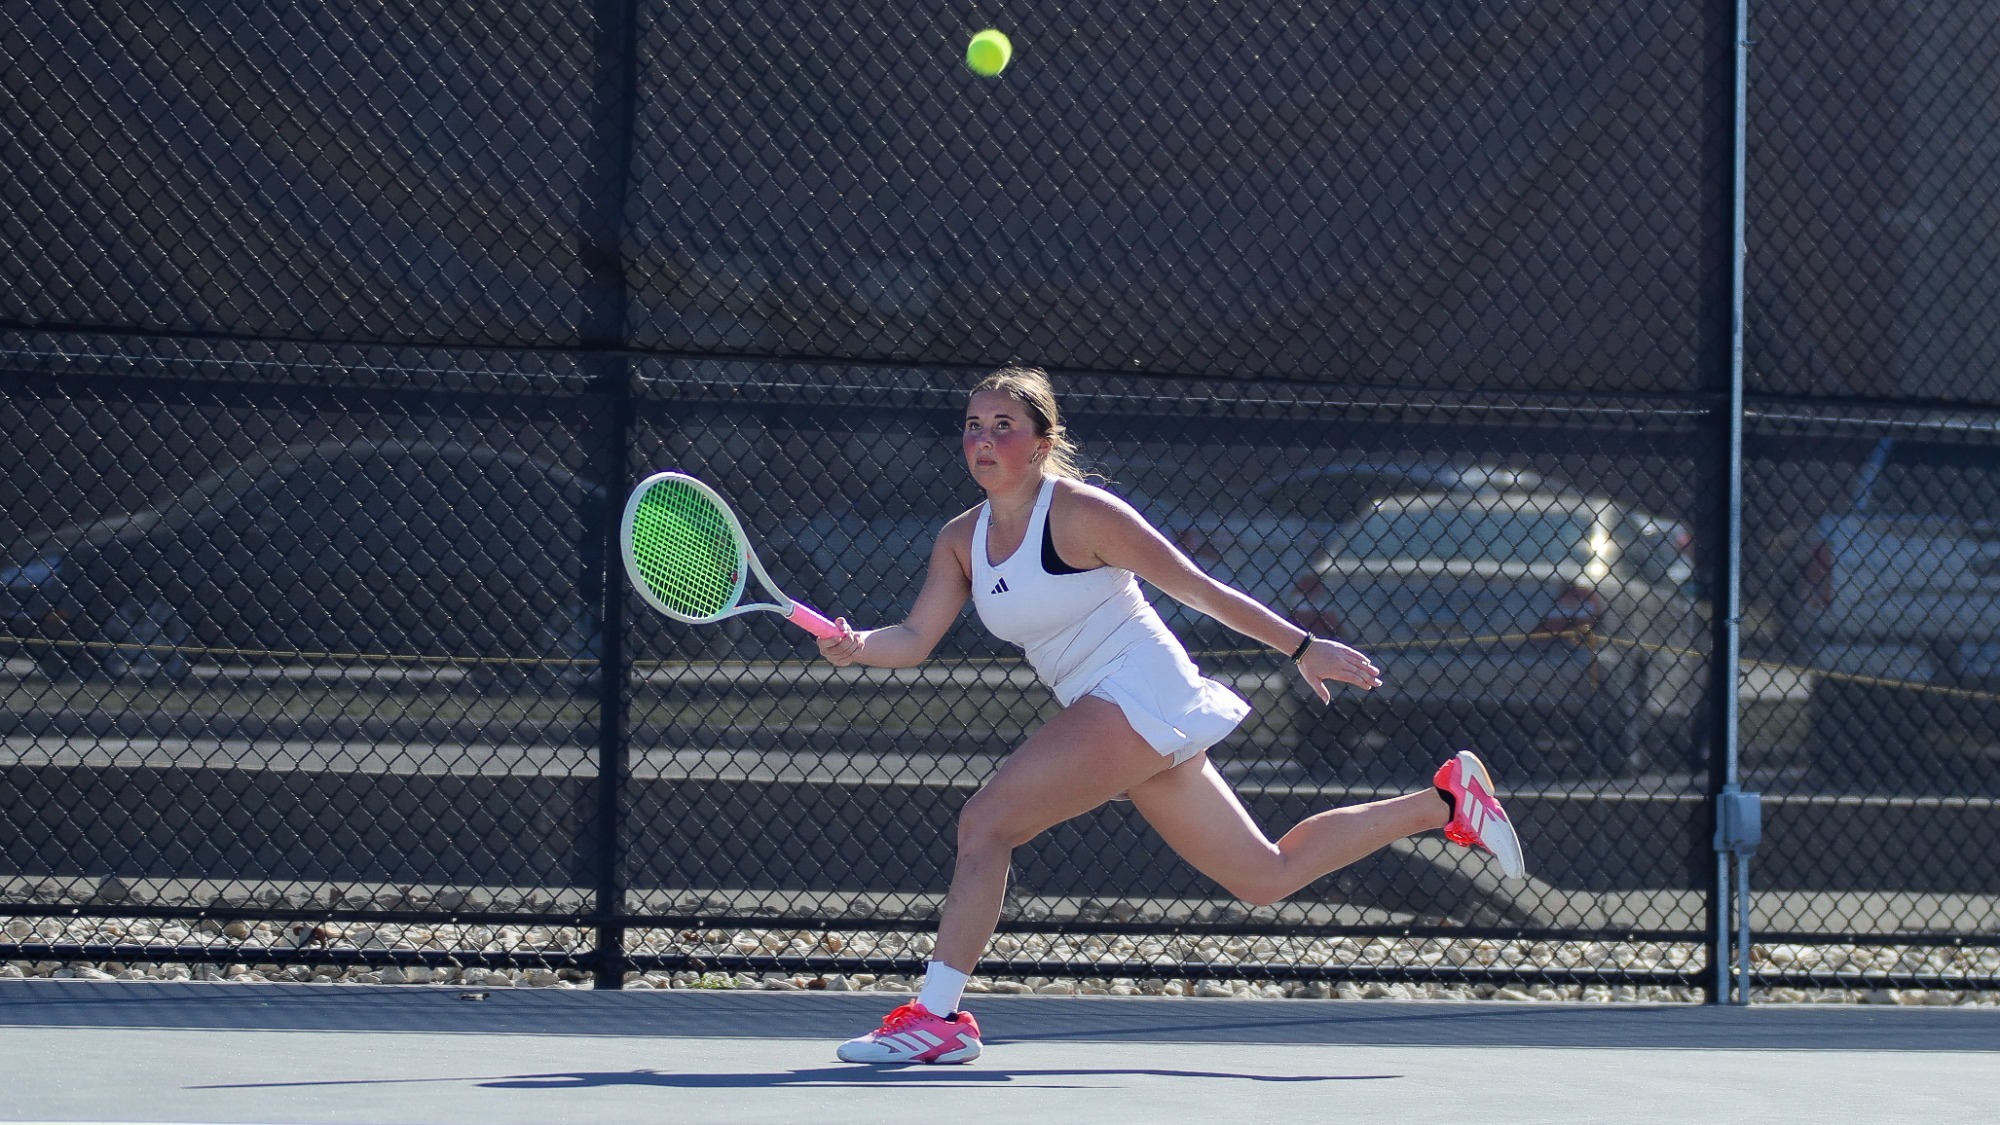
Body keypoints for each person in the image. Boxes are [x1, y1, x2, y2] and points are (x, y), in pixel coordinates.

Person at [818, 367, 1525, 1065]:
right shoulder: (959, 539)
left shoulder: (1081, 513)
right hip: (1115, 709)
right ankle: (1446, 801)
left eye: (1004, 425)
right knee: (1264, 876)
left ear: (1040, 441)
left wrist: (1303, 646)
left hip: (1135, 689)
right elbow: (913, 638)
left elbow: (1199, 587)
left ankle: (937, 1016)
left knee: (985, 822)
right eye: (974, 425)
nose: (984, 438)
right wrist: (856, 645)